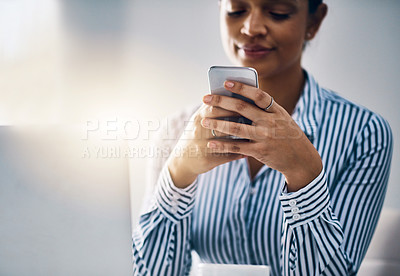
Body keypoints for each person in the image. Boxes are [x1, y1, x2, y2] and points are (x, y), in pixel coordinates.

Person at [132, 0, 393, 275]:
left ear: (314, 21)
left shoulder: (364, 134)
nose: (251, 27)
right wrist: (177, 175)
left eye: (277, 12)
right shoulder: (176, 130)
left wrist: (305, 177)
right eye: (236, 10)